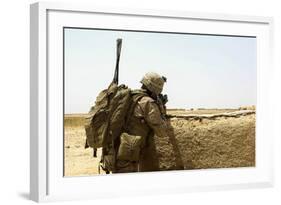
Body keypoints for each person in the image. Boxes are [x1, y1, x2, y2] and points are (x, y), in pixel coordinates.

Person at [114, 72, 174, 173]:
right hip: (128, 154)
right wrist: (160, 107)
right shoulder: (147, 102)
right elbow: (161, 132)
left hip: (117, 148)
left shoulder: (131, 97)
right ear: (155, 89)